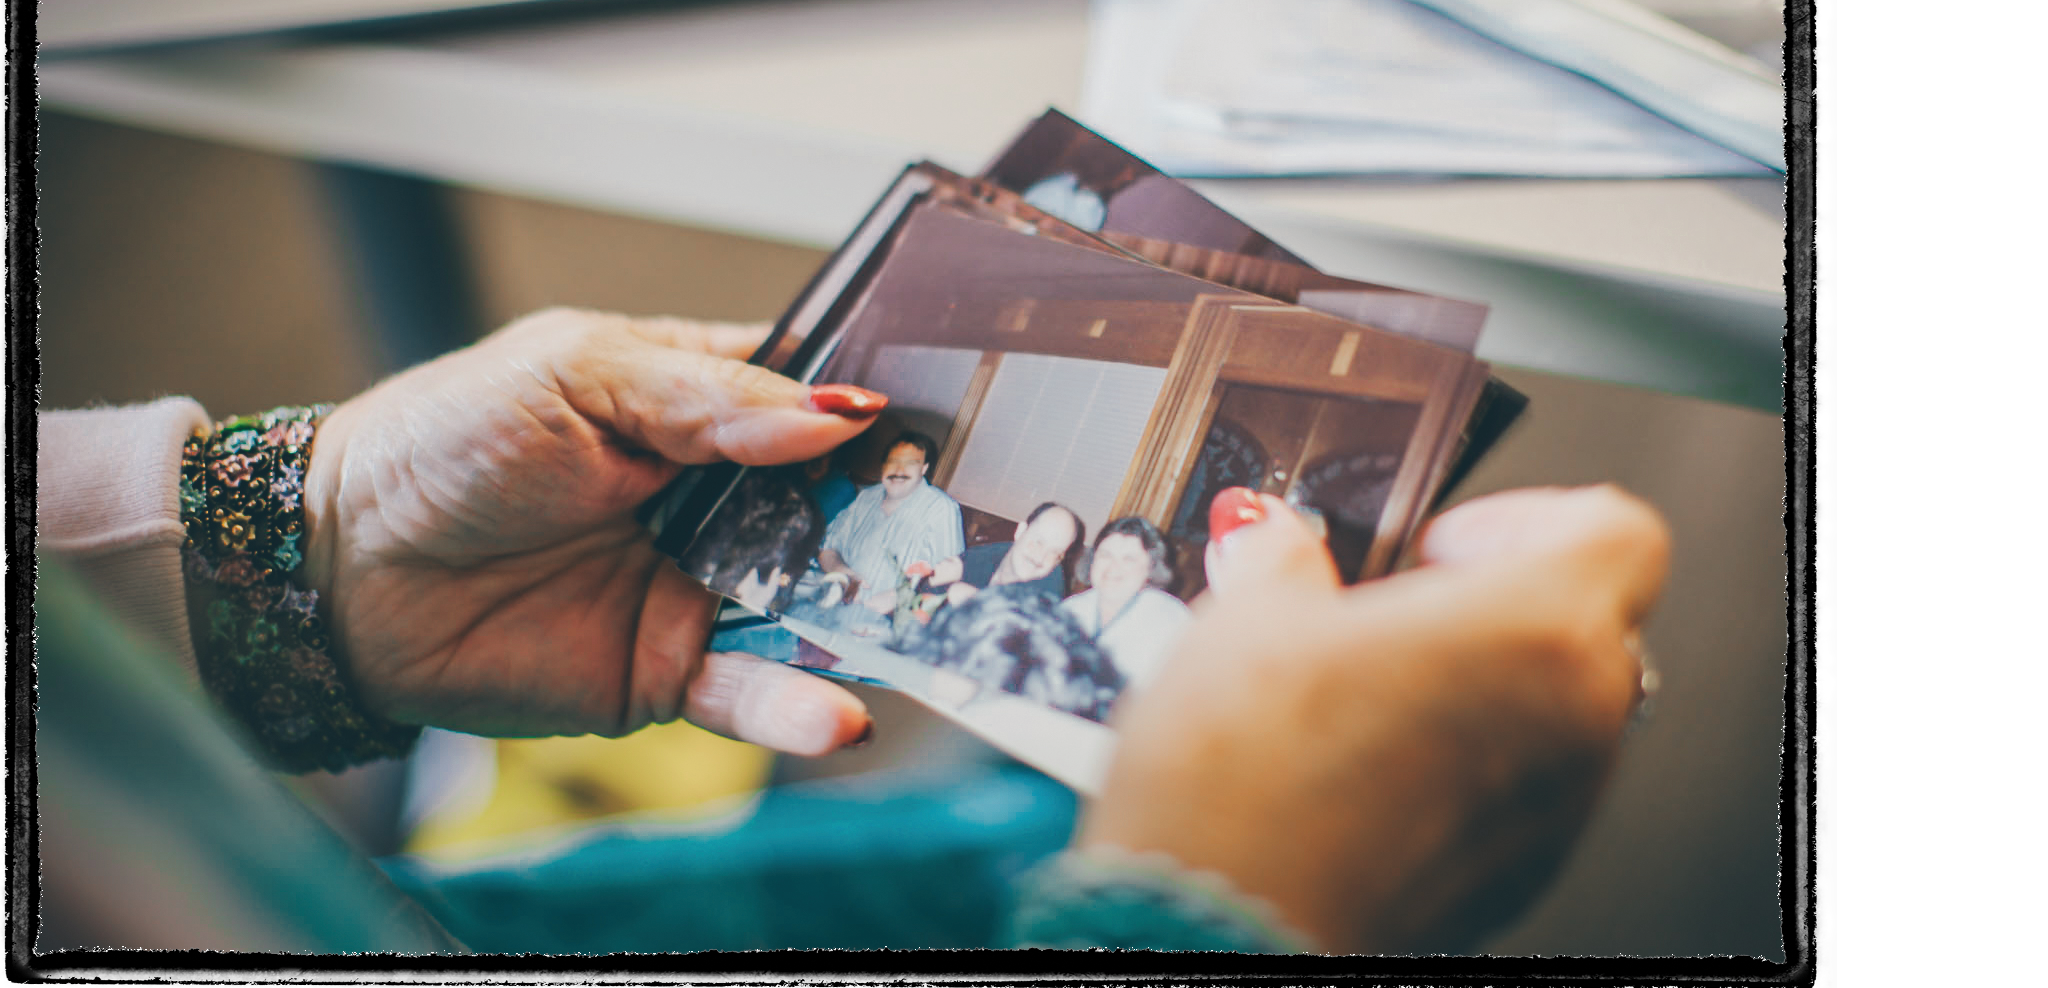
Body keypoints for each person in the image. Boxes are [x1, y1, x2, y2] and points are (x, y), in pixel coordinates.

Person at [34, 307, 1672, 956]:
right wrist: (1217, 909)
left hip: (337, 908)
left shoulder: (1022, 550)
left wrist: (292, 548)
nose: (1028, 523)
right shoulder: (914, 522)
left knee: (1015, 811)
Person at [815, 430, 964, 614]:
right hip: (835, 609)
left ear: (924, 469)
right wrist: (845, 574)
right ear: (883, 465)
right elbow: (827, 549)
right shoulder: (865, 498)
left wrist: (890, 601)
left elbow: (949, 580)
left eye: (911, 463)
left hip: (896, 622)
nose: (899, 471)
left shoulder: (941, 509)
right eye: (893, 461)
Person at [1059, 516, 1192, 692]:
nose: (1113, 566)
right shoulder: (1070, 609)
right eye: (1105, 555)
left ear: (1150, 568)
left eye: (1129, 558)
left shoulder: (1173, 618)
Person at [912, 501, 1083, 614]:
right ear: (1020, 532)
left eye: (1054, 552)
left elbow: (1021, 633)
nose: (1040, 557)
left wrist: (976, 599)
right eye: (1038, 542)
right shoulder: (990, 555)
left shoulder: (1049, 586)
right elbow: (927, 595)